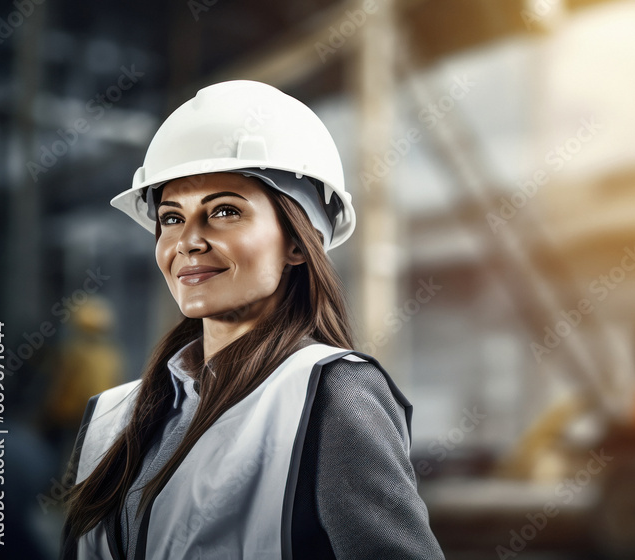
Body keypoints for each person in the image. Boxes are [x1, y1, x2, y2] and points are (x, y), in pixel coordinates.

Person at [59, 80, 445, 559]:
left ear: (299, 244)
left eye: (224, 211)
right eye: (173, 217)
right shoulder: (112, 419)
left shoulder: (331, 395)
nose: (188, 242)